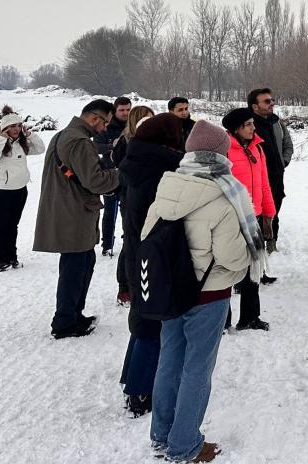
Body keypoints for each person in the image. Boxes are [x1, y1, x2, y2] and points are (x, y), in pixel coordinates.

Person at [144, 119, 258, 463]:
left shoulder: (167, 188)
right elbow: (232, 256)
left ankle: (161, 436)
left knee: (169, 363)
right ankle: (185, 446)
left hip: (170, 293)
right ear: (220, 156)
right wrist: (242, 267)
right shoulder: (224, 196)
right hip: (208, 296)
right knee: (197, 370)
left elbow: (146, 236)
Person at [34, 99, 121, 339]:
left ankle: (73, 315)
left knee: (81, 264)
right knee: (75, 269)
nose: (104, 128)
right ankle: (65, 322)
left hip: (66, 210)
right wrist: (120, 174)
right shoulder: (81, 142)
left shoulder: (62, 135)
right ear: (94, 118)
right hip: (74, 213)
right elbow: (95, 182)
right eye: (105, 123)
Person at [117, 113, 185, 418]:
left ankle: (131, 377)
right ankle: (141, 391)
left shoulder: (139, 161)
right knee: (153, 320)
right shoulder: (162, 169)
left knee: (143, 315)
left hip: (139, 249)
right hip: (154, 253)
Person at [221, 107, 276, 331]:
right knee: (226, 270)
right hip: (232, 218)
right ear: (236, 129)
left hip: (254, 217)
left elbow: (264, 183)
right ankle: (222, 320)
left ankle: (250, 317)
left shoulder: (257, 148)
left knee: (254, 268)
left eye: (253, 123)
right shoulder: (225, 151)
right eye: (248, 125)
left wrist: (269, 213)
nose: (253, 128)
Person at [0, 106, 45, 272]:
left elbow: (40, 149)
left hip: (20, 191)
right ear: (4, 128)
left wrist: (30, 135)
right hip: (0, 193)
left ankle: (11, 256)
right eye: (12, 126)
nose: (17, 129)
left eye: (19, 125)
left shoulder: (21, 144)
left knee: (12, 226)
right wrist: (1, 139)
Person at [114, 105, 155, 303]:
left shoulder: (151, 141)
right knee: (130, 240)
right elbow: (123, 171)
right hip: (129, 197)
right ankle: (124, 286)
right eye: (146, 120)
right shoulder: (125, 142)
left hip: (146, 196)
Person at [248, 87, 292, 265]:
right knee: (257, 213)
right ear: (255, 106)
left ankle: (272, 242)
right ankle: (256, 251)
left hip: (277, 176)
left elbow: (287, 143)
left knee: (275, 209)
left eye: (272, 100)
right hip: (257, 179)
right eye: (267, 101)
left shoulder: (276, 122)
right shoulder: (248, 125)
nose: (272, 103)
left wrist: (284, 161)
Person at [96, 96, 132, 256]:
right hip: (109, 173)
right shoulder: (106, 126)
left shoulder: (133, 125)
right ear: (115, 110)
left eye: (128, 109)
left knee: (128, 210)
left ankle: (128, 239)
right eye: (121, 110)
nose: (125, 113)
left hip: (129, 174)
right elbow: (95, 146)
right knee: (110, 211)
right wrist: (112, 146)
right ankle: (107, 244)